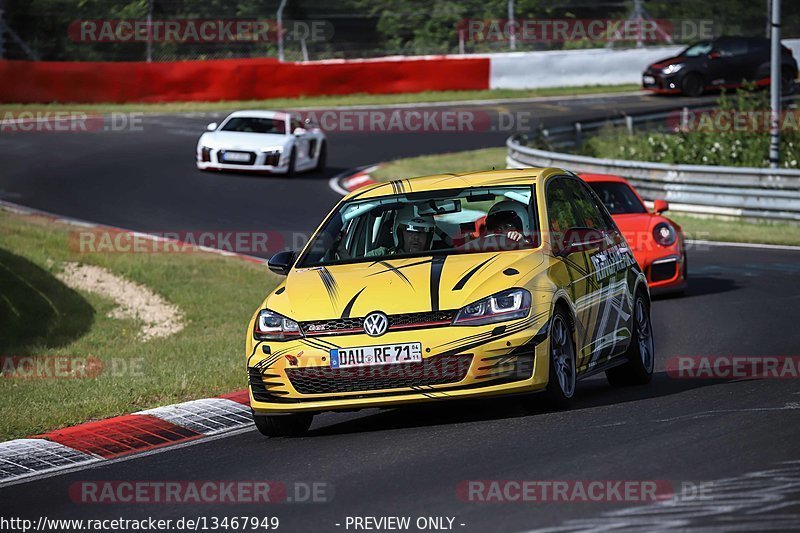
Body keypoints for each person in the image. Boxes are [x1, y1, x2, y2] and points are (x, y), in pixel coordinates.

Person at [366, 212, 435, 256]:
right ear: (399, 233)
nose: (416, 237)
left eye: (422, 232)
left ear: (429, 237)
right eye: (410, 231)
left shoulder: (438, 261)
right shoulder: (381, 256)